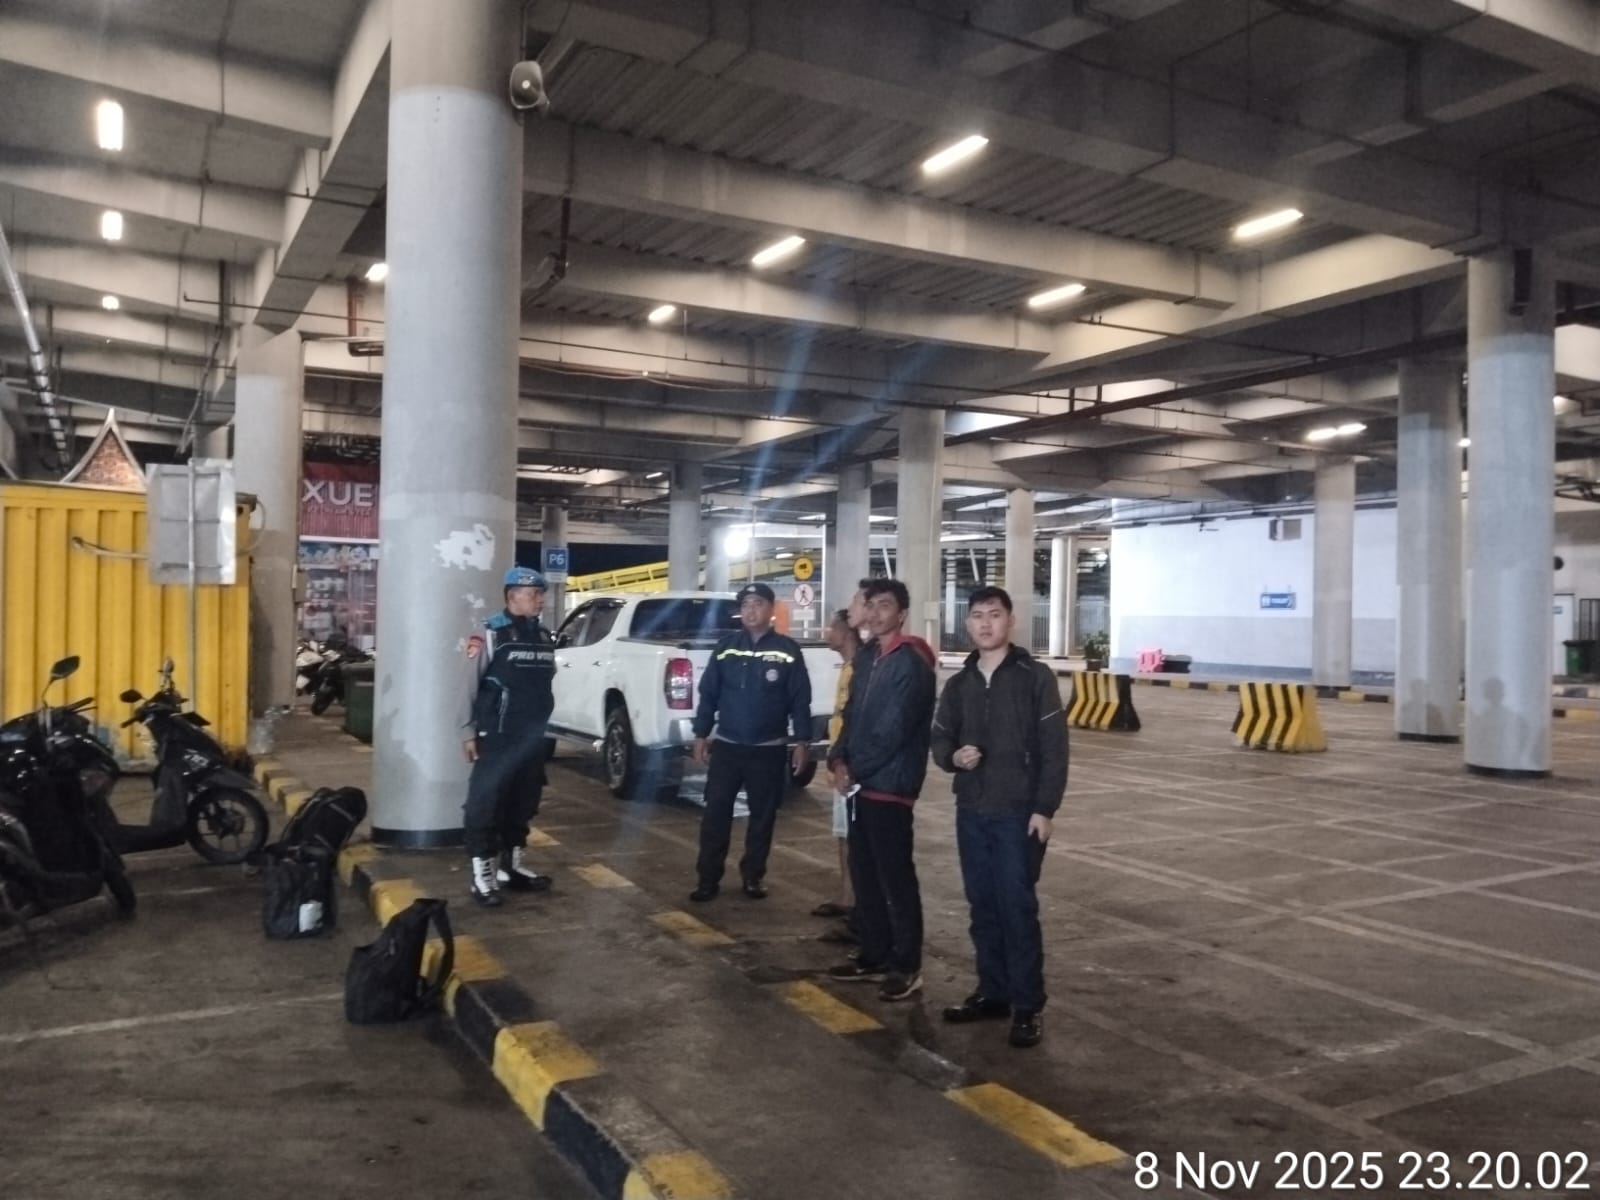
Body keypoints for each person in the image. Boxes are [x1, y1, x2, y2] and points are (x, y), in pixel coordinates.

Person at [930, 586, 1068, 1049]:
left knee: (1017, 907)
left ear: (1010, 621)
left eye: (994, 614)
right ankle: (993, 992)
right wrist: (954, 758)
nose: (985, 623)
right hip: (971, 810)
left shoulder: (1035, 678)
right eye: (977, 616)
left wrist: (1044, 808)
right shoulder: (959, 684)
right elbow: (940, 738)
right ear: (967, 624)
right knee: (982, 905)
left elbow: (1054, 749)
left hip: (1017, 813)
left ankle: (1027, 1005)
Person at [826, 578, 937, 1002]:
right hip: (860, 784)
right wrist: (838, 759)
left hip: (891, 786)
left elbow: (894, 730)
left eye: (884, 606)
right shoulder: (869, 657)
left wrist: (854, 769)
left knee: (895, 878)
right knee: (865, 873)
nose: (874, 613)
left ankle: (906, 966)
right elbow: (851, 715)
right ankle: (874, 954)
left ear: (901, 614)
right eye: (870, 605)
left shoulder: (911, 663)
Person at [690, 582, 813, 903]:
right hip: (728, 748)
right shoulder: (726, 648)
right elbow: (708, 694)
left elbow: (800, 700)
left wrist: (803, 742)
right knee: (715, 814)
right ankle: (707, 879)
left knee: (762, 817)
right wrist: (701, 734)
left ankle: (753, 876)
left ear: (771, 610)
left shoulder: (787, 650)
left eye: (757, 603)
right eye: (745, 604)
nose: (750, 610)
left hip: (768, 750)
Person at [459, 565, 557, 908]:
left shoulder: (543, 636)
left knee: (524, 802)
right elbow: (468, 685)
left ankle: (510, 868)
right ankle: (482, 877)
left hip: (532, 738)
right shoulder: (489, 633)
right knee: (485, 805)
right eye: (534, 594)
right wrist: (467, 730)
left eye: (541, 594)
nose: (540, 600)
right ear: (513, 596)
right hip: (497, 736)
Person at [813, 595, 865, 933]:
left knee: (855, 837)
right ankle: (846, 897)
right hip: (841, 763)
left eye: (832, 626)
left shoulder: (860, 669)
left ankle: (859, 905)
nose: (827, 631)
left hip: (853, 767)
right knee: (843, 834)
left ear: (847, 631)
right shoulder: (847, 668)